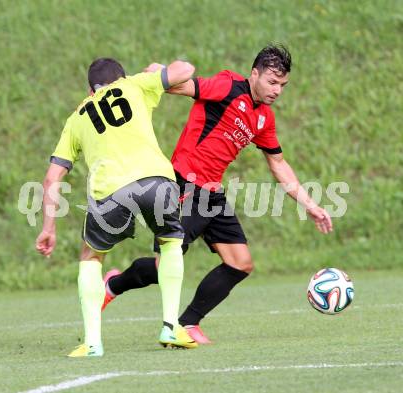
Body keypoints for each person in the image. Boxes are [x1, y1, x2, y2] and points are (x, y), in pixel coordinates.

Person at [101, 44, 333, 344]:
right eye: (272, 82)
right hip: (184, 184)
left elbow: (278, 164)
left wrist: (310, 206)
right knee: (165, 267)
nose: (277, 90)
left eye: (283, 85)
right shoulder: (227, 86)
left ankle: (188, 323)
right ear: (254, 74)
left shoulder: (264, 118)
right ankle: (113, 286)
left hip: (211, 193)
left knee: (240, 263)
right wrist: (156, 74)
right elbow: (179, 86)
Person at [35, 57, 198, 357]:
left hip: (110, 191)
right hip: (156, 181)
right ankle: (171, 326)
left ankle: (93, 342)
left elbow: (51, 178)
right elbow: (186, 70)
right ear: (119, 77)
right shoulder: (134, 84)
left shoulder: (77, 117)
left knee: (91, 256)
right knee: (170, 242)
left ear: (90, 89)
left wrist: (48, 228)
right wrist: (158, 72)